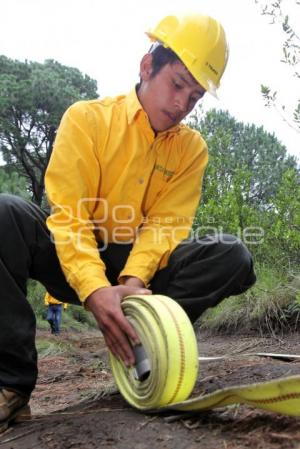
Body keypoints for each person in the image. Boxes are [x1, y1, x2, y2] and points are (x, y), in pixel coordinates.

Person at [0, 13, 256, 433]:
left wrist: (134, 283)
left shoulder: (192, 150)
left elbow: (166, 227)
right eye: (177, 84)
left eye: (194, 98)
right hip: (69, 256)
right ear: (146, 66)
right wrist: (96, 289)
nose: (181, 105)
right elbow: (68, 216)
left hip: (139, 268)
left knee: (233, 255)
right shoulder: (86, 119)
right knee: (5, 212)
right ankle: (11, 385)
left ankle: (145, 343)